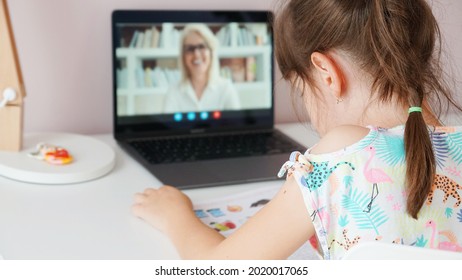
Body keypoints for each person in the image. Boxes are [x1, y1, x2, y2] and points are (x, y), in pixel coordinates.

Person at [133, 0, 462, 259]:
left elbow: (217, 268)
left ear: (326, 72)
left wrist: (174, 213)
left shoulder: (339, 156)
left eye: (302, 91)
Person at [163, 24, 240, 113]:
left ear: (211, 52)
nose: (196, 54)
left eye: (202, 46)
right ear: (183, 56)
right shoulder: (173, 93)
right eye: (190, 49)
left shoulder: (226, 89)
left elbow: (236, 126)